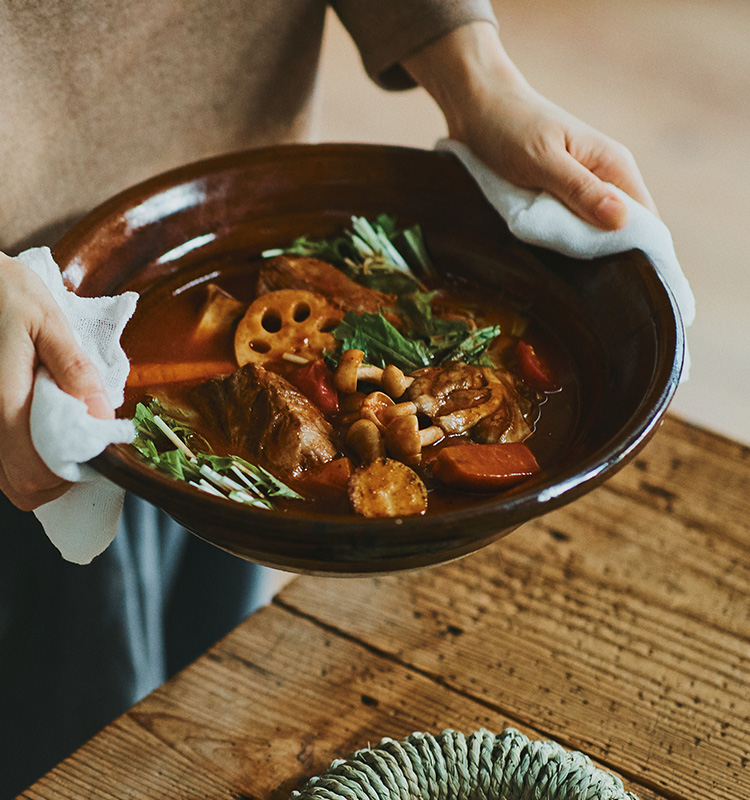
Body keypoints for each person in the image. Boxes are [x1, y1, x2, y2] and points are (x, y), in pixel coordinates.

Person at [0, 2, 657, 794]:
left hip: (238, 186)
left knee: (215, 676)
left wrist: (474, 73)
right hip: (19, 357)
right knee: (70, 732)